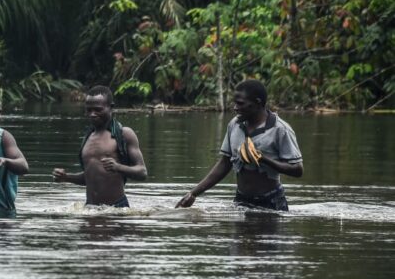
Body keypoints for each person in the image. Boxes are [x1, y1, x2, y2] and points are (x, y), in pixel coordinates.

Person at [176, 79, 303, 211]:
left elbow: (297, 170)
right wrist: (193, 193)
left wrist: (263, 159)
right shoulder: (235, 125)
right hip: (241, 201)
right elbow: (225, 163)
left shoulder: (280, 130)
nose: (235, 107)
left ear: (258, 103)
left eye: (240, 103)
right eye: (235, 103)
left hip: (271, 201)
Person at [52, 86, 147, 207]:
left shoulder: (124, 134)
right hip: (90, 208)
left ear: (111, 107)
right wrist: (66, 177)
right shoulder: (88, 137)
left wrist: (118, 167)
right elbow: (90, 176)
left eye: (98, 109)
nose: (92, 114)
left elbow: (142, 172)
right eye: (88, 110)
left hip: (116, 208)